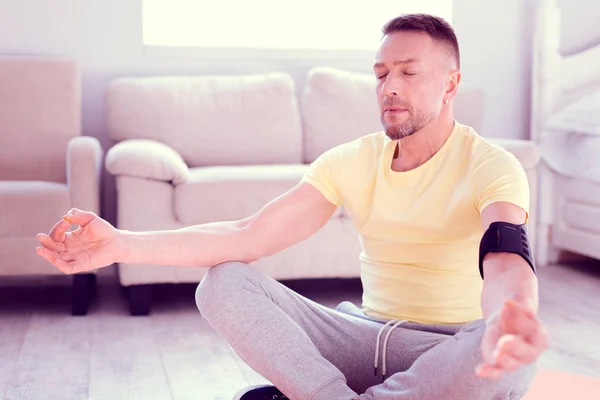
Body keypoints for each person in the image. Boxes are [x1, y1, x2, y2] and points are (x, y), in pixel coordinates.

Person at [36, 13, 549, 400]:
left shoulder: (491, 164)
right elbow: (247, 234)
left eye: (409, 72)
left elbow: (505, 257)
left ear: (451, 82)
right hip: (357, 337)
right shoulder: (351, 161)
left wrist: (513, 318)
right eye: (381, 73)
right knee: (223, 282)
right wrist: (120, 245)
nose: (390, 87)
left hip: (441, 351)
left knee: (513, 362)